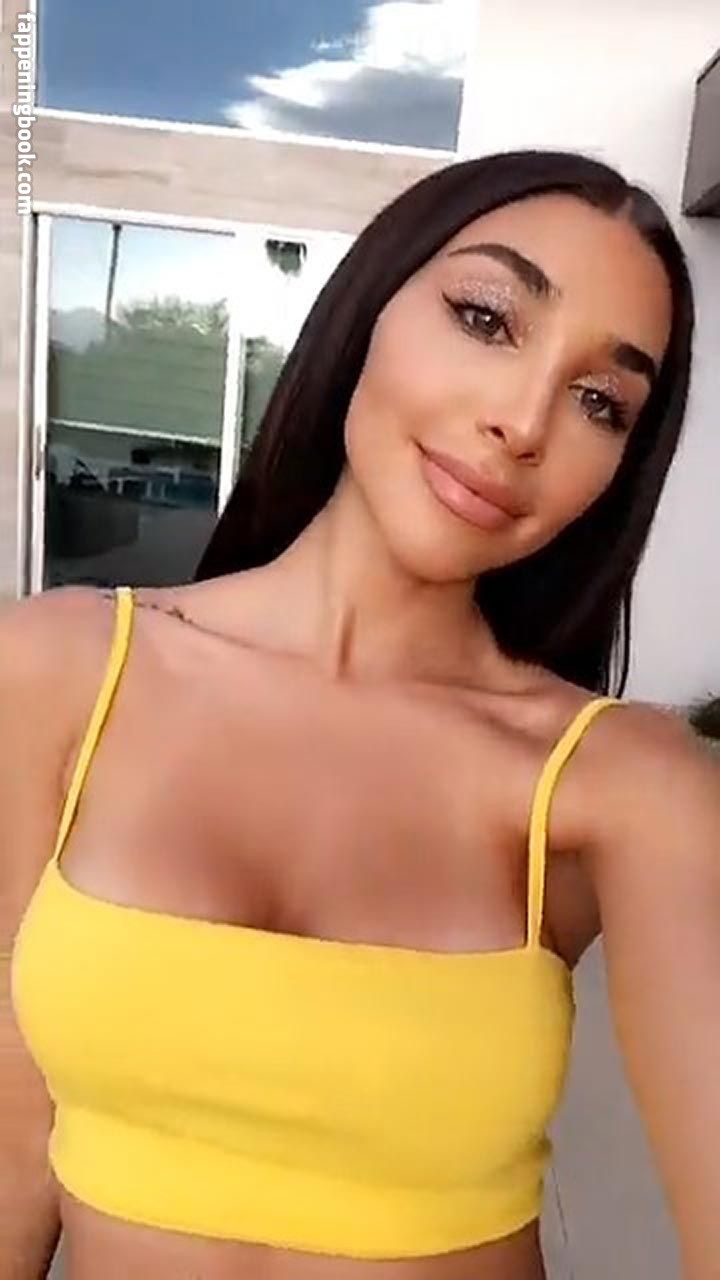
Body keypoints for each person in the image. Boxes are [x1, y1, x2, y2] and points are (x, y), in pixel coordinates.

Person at [2, 151, 718, 1280]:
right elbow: (11, 1142)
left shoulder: (618, 783)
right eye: (486, 318)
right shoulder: (64, 671)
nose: (523, 421)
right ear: (368, 308)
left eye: (601, 402)